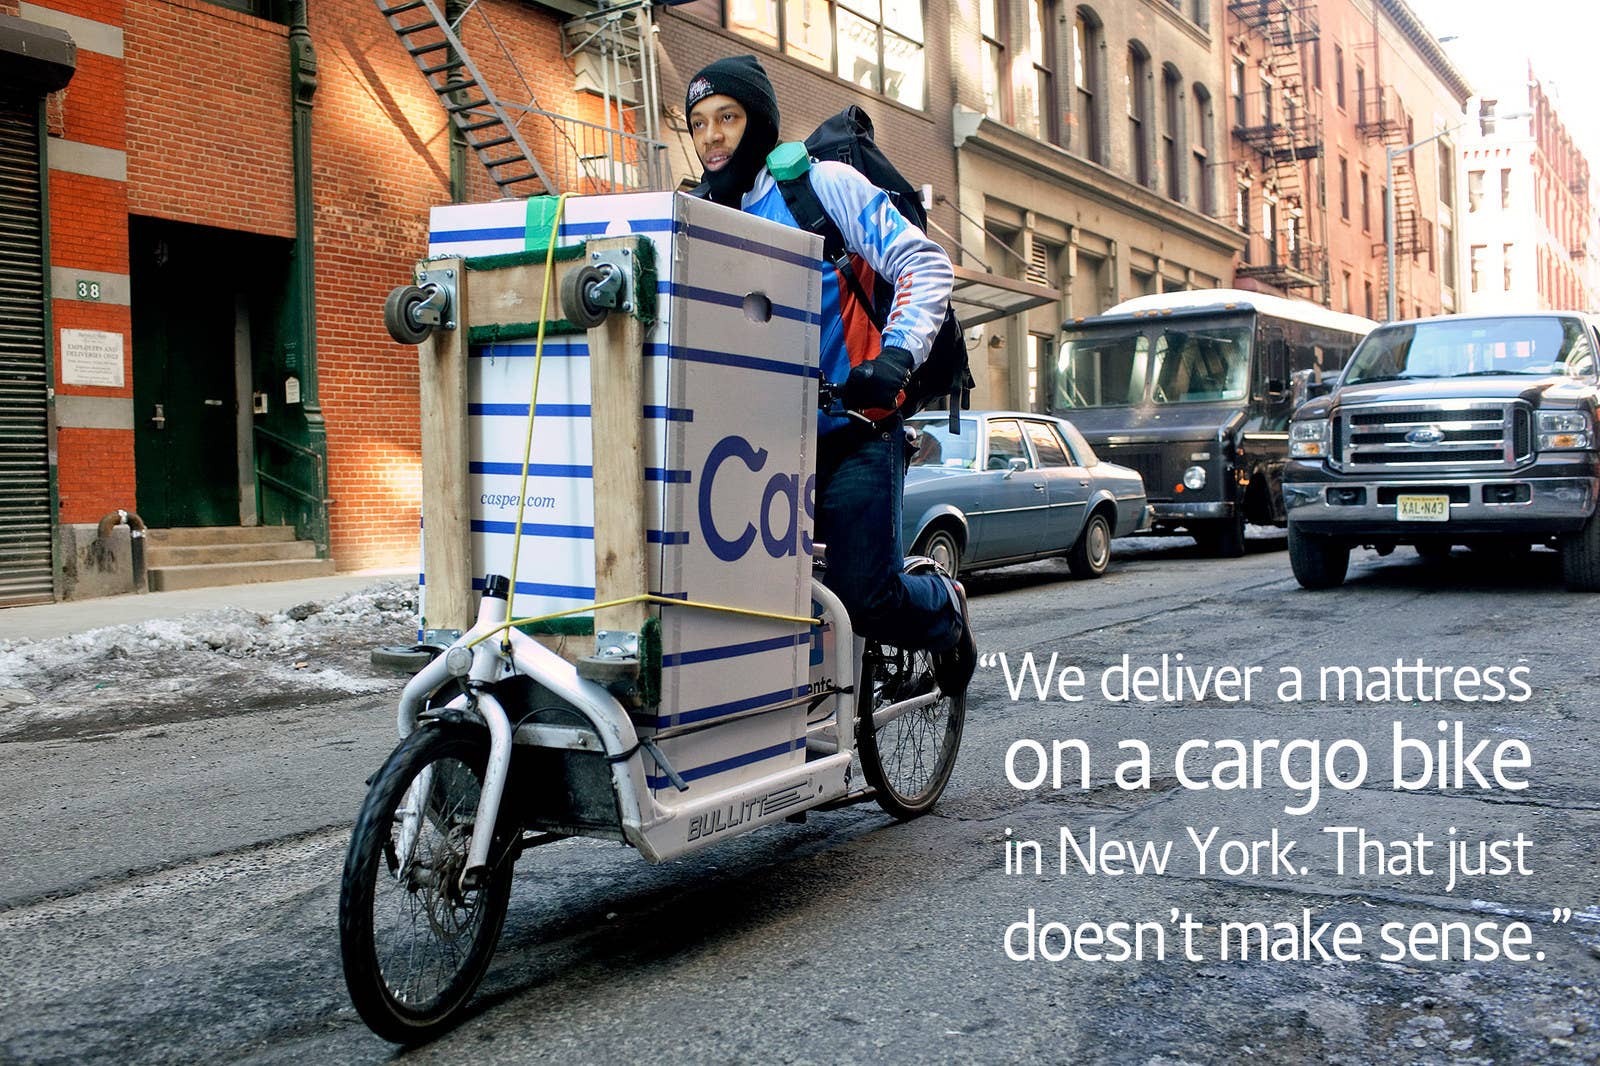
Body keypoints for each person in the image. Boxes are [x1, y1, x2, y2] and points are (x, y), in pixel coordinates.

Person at [685, 55, 976, 698]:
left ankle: (946, 606)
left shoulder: (820, 187)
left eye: (727, 117)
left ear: (760, 121)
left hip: (854, 431)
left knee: (865, 595)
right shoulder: (698, 216)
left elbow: (924, 265)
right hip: (758, 448)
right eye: (699, 123)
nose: (712, 137)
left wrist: (895, 356)